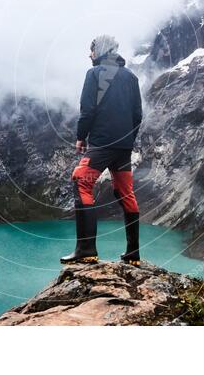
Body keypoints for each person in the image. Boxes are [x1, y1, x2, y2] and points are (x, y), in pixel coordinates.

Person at [60, 34, 143, 265]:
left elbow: (87, 109)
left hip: (102, 143)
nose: (90, 54)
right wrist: (128, 140)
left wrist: (80, 137)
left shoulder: (94, 74)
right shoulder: (132, 77)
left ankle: (86, 250)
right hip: (124, 147)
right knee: (125, 191)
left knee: (81, 181)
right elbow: (138, 115)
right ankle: (133, 254)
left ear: (101, 51)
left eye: (92, 49)